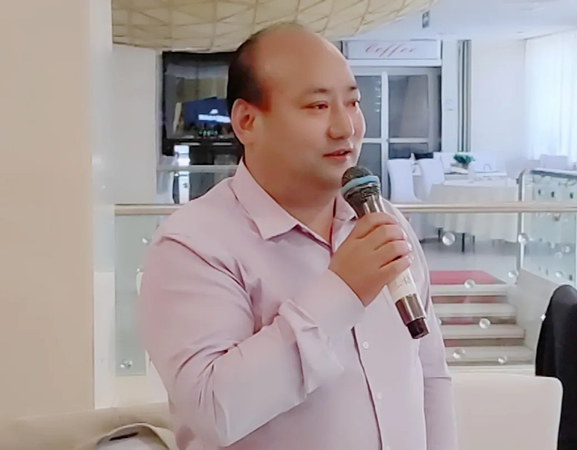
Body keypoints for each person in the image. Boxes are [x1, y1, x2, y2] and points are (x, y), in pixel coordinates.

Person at [139, 23, 457, 450]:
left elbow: (429, 374)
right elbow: (215, 411)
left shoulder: (382, 221)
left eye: (353, 102)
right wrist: (342, 292)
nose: (345, 128)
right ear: (247, 121)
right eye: (318, 106)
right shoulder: (194, 245)